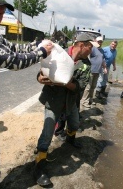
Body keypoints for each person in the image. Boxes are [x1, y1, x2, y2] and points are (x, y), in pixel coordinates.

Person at [0, 0, 53, 188]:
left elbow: (14, 48)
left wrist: (36, 44)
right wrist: (42, 52)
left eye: (1, 13)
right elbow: (13, 61)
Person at [34, 33, 98, 186]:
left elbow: (79, 87)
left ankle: (70, 139)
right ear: (82, 45)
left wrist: (64, 82)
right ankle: (39, 168)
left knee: (75, 124)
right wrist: (40, 78)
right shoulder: (58, 53)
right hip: (54, 101)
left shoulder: (86, 64)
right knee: (47, 134)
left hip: (70, 102)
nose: (92, 51)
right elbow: (42, 70)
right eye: (90, 47)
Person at [80, 36, 107, 108]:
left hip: (98, 71)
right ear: (95, 41)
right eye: (98, 41)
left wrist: (104, 68)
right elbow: (86, 57)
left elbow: (103, 60)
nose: (100, 43)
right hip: (91, 70)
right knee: (88, 87)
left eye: (101, 42)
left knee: (93, 86)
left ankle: (90, 99)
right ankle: (84, 101)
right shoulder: (92, 48)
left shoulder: (101, 50)